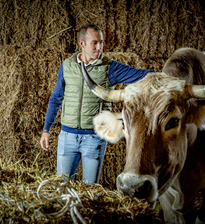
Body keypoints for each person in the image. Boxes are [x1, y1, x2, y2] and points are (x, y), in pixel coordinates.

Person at [40, 23, 154, 184]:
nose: (99, 47)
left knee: (90, 190)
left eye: (101, 42)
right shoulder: (67, 66)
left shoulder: (110, 68)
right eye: (94, 43)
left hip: (93, 138)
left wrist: (170, 76)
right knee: (61, 188)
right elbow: (56, 98)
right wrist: (46, 130)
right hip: (67, 137)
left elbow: (143, 75)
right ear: (82, 43)